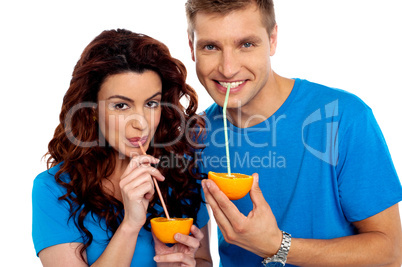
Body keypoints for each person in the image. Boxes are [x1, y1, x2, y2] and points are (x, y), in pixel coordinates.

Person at [185, 0, 402, 266]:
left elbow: (390, 251)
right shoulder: (195, 137)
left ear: (273, 39)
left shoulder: (343, 116)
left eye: (246, 44)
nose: (228, 68)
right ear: (191, 47)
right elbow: (202, 258)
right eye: (210, 47)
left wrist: (277, 246)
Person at [32, 29, 212, 267]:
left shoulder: (182, 177)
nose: (141, 123)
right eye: (121, 105)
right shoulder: (55, 189)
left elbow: (204, 261)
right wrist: (130, 225)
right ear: (92, 109)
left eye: (151, 103)